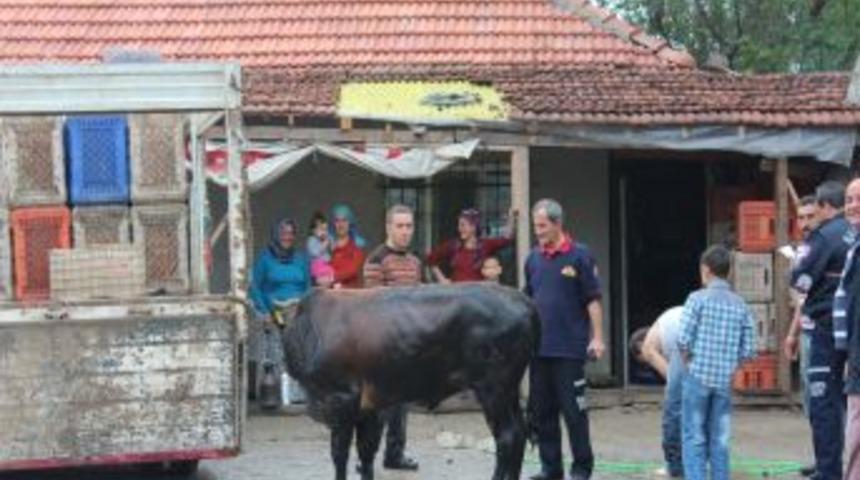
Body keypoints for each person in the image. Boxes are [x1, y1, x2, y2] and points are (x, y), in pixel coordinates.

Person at [524, 198, 604, 480]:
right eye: (536, 226)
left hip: (569, 350)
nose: (538, 231)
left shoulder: (581, 255)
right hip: (539, 350)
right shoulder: (532, 258)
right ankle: (551, 469)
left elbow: (593, 300)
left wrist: (598, 338)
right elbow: (528, 301)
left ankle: (582, 469)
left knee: (574, 413)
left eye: (543, 226)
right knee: (542, 413)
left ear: (558, 224)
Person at [791, 180, 853, 480]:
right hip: (850, 329)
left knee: (823, 402)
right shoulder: (854, 234)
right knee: (849, 401)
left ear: (825, 206)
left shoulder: (825, 236)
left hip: (825, 329)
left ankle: (829, 471)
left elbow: (800, 278)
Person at [678, 244, 756, 480]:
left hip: (697, 376)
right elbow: (749, 350)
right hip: (724, 380)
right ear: (728, 272)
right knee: (720, 437)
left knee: (694, 435)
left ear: (706, 270)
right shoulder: (740, 304)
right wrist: (731, 366)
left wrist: (689, 363)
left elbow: (683, 340)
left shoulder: (696, 299)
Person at [360, 204, 423, 472]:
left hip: (408, 344)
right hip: (384, 344)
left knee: (401, 406)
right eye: (400, 226)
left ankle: (394, 454)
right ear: (388, 227)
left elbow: (419, 301)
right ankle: (367, 460)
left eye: (409, 226)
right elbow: (373, 305)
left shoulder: (415, 262)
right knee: (378, 407)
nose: (405, 231)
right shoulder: (376, 260)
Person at [248, 218, 311, 402]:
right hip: (273, 311)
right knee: (277, 348)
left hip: (297, 310)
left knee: (301, 349)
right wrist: (264, 310)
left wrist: (304, 306)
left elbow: (308, 285)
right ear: (276, 234)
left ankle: (297, 394)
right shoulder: (265, 259)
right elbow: (254, 287)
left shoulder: (300, 259)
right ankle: (275, 394)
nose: (288, 237)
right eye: (284, 233)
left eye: (291, 233)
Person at [782, 194, 820, 478]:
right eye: (801, 218)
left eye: (810, 216)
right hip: (806, 329)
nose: (805, 223)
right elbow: (802, 300)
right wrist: (791, 334)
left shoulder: (827, 247)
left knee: (828, 401)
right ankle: (822, 458)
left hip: (826, 333)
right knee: (811, 401)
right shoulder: (804, 251)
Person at [630, 306, 685, 478]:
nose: (650, 365)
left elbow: (674, 381)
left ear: (641, 345)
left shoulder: (649, 346)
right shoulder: (666, 323)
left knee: (672, 417)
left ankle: (674, 467)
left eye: (646, 363)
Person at [836, 178, 860, 480]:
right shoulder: (853, 248)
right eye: (849, 199)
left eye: (859, 199)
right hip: (855, 355)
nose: (853, 206)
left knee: (856, 437)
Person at [426, 207, 517, 283]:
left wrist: (511, 218)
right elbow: (430, 259)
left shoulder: (485, 245)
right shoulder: (453, 246)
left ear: (473, 227)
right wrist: (442, 279)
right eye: (459, 225)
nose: (459, 229)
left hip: (477, 296)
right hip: (457, 296)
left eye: (463, 225)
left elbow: (506, 239)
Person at [329, 204, 366, 289]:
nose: (340, 224)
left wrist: (331, 278)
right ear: (333, 224)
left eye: (344, 220)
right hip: (330, 296)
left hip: (351, 295)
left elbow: (353, 270)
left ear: (350, 223)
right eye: (337, 221)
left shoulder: (358, 246)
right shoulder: (326, 246)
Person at [306, 211, 335, 287]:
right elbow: (314, 253)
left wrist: (330, 242)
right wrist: (324, 244)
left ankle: (332, 285)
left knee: (331, 273)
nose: (323, 232)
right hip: (317, 265)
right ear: (313, 230)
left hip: (327, 264)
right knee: (322, 277)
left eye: (325, 229)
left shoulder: (328, 237)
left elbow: (333, 249)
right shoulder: (311, 240)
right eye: (320, 229)